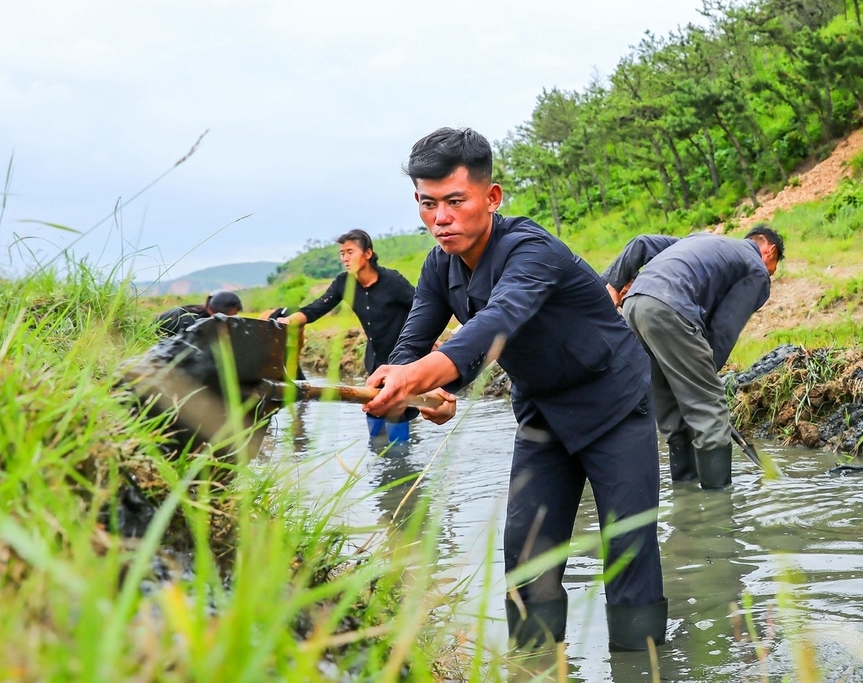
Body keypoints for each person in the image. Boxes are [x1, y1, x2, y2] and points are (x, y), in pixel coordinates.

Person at [362, 128, 667, 652]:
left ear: (492, 196)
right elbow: (412, 340)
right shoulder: (440, 264)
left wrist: (424, 373)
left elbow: (496, 323)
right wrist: (411, 386)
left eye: (455, 201)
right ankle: (533, 662)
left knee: (626, 551)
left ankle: (641, 664)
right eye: (428, 204)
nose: (441, 218)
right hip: (542, 411)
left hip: (612, 402)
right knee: (527, 556)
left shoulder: (531, 251)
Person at [601, 227, 783, 489]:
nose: (769, 276)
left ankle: (685, 498)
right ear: (769, 251)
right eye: (773, 269)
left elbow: (642, 242)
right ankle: (716, 510)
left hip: (635, 306)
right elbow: (724, 327)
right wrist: (705, 376)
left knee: (674, 416)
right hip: (670, 309)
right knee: (710, 412)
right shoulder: (756, 268)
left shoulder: (700, 240)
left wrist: (609, 285)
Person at [277, 229, 417, 442]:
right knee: (374, 408)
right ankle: (379, 458)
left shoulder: (392, 281)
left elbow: (421, 308)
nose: (345, 258)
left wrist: (428, 338)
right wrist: (287, 321)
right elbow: (317, 308)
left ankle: (401, 463)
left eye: (350, 252)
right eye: (342, 253)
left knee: (397, 411)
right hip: (375, 358)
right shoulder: (344, 283)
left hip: (402, 358)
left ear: (368, 253)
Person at [155, 291, 242, 337]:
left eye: (234, 316)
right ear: (210, 310)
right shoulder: (190, 322)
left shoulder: (208, 317)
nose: (230, 320)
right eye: (225, 317)